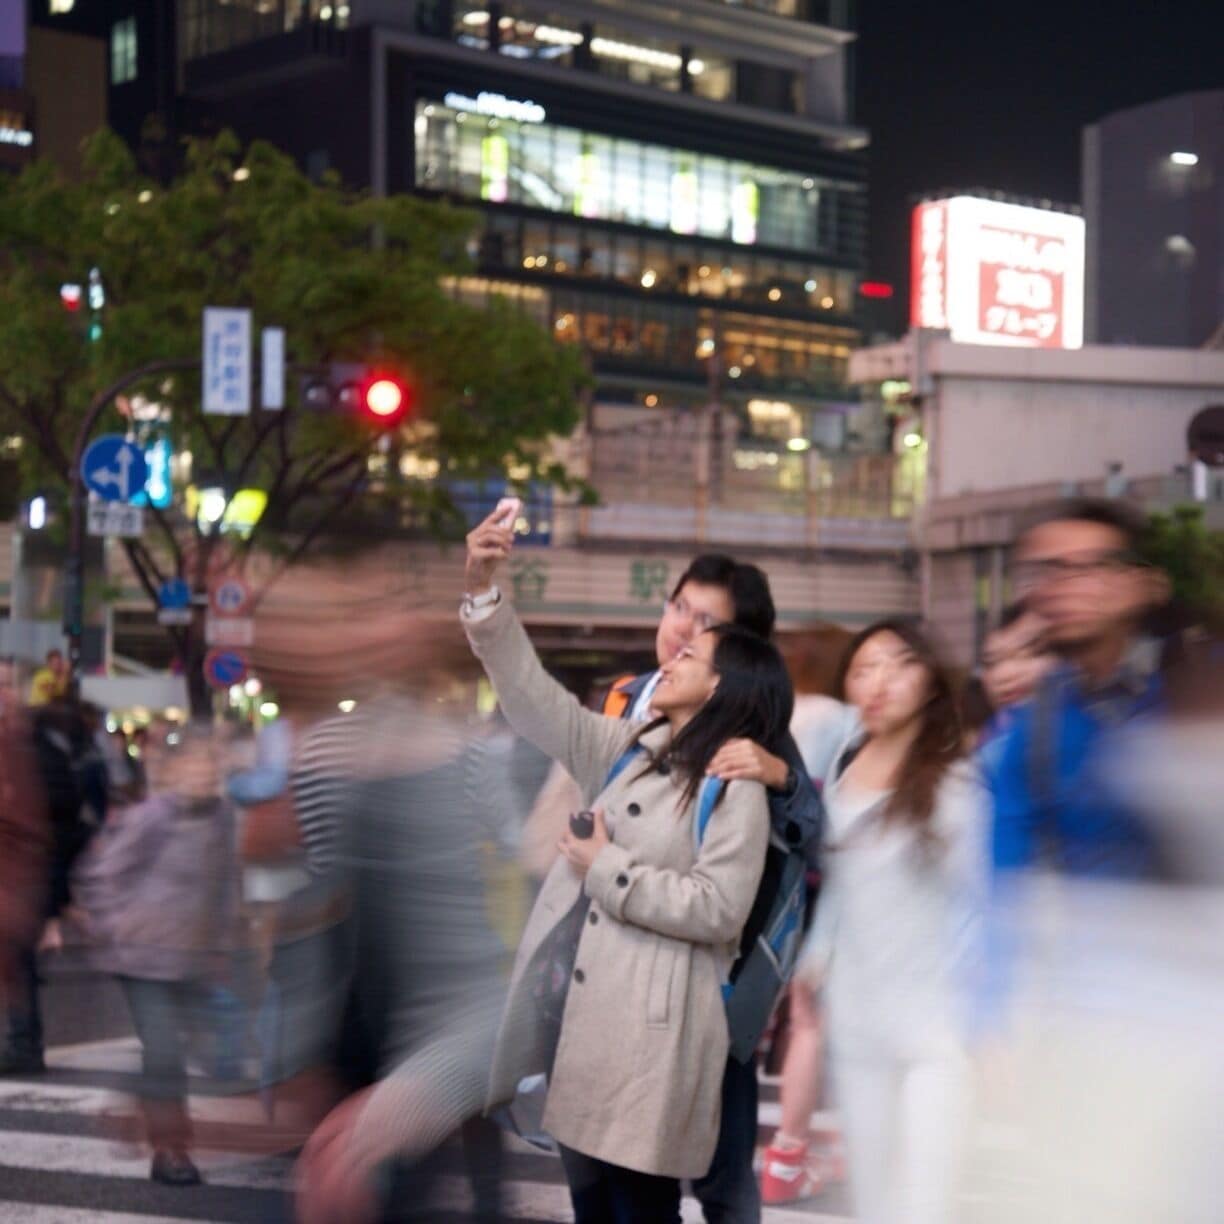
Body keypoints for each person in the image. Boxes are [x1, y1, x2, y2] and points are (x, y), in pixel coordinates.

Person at [459, 510, 794, 1222]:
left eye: (694, 653)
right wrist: (485, 592)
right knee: (592, 1208)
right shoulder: (626, 745)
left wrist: (604, 865)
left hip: (659, 1037)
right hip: (586, 1022)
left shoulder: (735, 780)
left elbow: (718, 909)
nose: (672, 652)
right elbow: (530, 695)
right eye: (679, 621)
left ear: (722, 687)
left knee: (641, 1210)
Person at [557, 553, 826, 1224]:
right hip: (604, 973)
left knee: (716, 1177)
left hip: (704, 990)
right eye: (679, 607)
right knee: (595, 1168)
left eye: (707, 623)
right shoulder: (623, 698)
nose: (682, 631)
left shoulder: (754, 732)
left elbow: (809, 835)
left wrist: (783, 779)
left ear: (736, 651)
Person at [796, 620, 987, 1224]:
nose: (879, 681)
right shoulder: (845, 771)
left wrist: (981, 1015)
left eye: (899, 664)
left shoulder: (958, 783)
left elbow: (984, 905)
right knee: (875, 1202)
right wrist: (813, 962)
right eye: (863, 668)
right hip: (858, 1024)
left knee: (927, 1206)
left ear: (930, 681)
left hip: (938, 1030)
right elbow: (839, 885)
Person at [69, 722, 241, 1186]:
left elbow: (226, 884)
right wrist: (114, 925)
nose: (205, 772)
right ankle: (171, 1151)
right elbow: (102, 873)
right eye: (196, 762)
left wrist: (223, 943)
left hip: (190, 958)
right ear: (176, 768)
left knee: (193, 1050)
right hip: (142, 957)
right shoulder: (154, 817)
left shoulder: (225, 818)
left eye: (212, 763)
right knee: (165, 1050)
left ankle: (137, 1101)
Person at [990, 498, 1171, 878]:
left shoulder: (1195, 693)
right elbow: (1011, 870)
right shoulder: (1037, 721)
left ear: (1141, 583)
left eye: (1089, 567)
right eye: (1043, 570)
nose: (1060, 587)